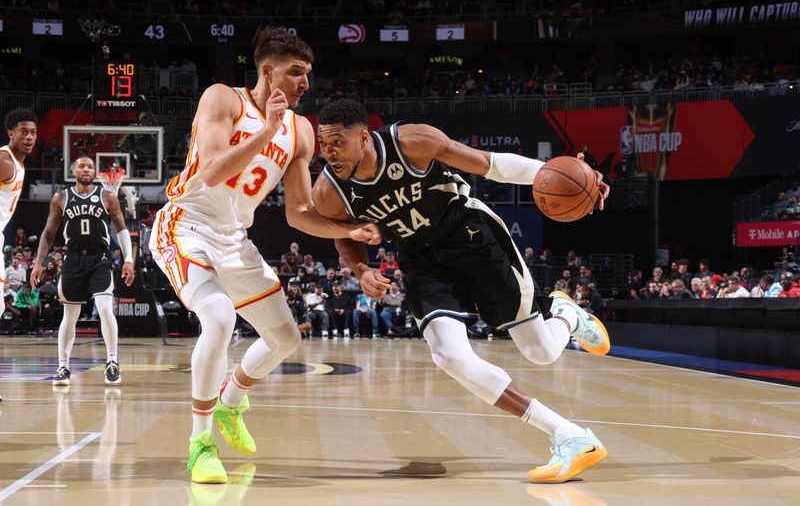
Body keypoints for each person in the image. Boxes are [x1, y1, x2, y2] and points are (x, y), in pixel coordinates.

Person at [312, 99, 612, 484]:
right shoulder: (329, 191)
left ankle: (566, 313)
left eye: (337, 142)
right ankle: (568, 435)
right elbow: (345, 235)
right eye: (324, 143)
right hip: (422, 260)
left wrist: (567, 174)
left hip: (471, 236)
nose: (328, 152)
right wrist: (360, 268)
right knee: (448, 355)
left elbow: (492, 164)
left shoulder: (413, 141)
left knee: (541, 352)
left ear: (364, 138)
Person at [147, 28, 379, 484]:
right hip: (187, 225)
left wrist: (349, 230)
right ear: (267, 71)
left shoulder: (301, 132)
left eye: (308, 74)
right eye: (296, 73)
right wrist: (267, 129)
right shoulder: (223, 99)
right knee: (218, 318)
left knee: (286, 339)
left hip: (234, 238)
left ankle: (231, 401)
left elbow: (298, 214)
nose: (305, 83)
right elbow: (212, 171)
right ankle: (201, 442)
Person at [31, 154, 136, 385]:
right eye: (81, 166)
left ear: (95, 171)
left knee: (105, 308)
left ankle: (112, 362)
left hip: (100, 258)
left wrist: (129, 259)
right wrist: (38, 262)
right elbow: (49, 233)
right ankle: (63, 367)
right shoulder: (61, 197)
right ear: (74, 171)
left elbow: (121, 229)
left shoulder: (107, 196)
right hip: (74, 259)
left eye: (90, 166)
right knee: (70, 316)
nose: (86, 169)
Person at [1, 108, 38, 403]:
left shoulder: (18, 163)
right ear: (10, 133)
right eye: (23, 131)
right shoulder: (4, 161)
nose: (29, 137)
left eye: (33, 132)